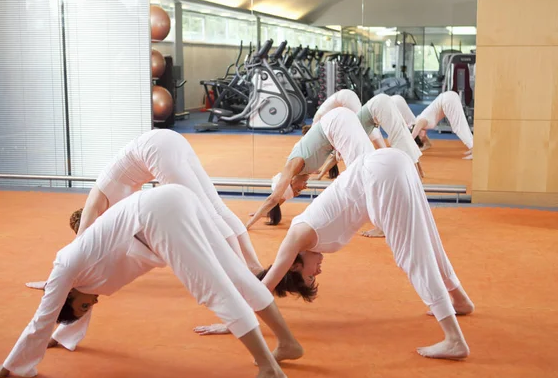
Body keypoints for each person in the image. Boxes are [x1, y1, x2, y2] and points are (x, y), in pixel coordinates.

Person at [0, 185, 304, 378]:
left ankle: (269, 370)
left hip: (158, 215)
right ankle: (288, 344)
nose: (94, 302)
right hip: (172, 198)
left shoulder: (65, 266)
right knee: (237, 276)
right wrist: (60, 335)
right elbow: (69, 312)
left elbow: (43, 315)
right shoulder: (87, 279)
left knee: (214, 290)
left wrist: (10, 365)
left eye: (85, 305)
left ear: (69, 295)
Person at [196, 148, 475, 361]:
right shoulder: (309, 241)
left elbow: (262, 289)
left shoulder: (296, 237)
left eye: (309, 276)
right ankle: (460, 300)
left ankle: (454, 339)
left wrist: (233, 321)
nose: (317, 272)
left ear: (294, 268)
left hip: (380, 173)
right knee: (427, 238)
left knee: (412, 255)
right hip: (388, 164)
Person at [26, 129, 264, 292]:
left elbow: (79, 247)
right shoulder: (113, 208)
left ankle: (244, 280)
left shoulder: (95, 202)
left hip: (156, 149)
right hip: (168, 140)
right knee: (215, 207)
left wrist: (54, 281)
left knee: (208, 214)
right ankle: (253, 267)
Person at [246, 107, 374, 230]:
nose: (304, 188)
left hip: (337, 123)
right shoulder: (301, 171)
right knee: (368, 166)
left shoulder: (294, 164)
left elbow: (274, 198)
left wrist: (248, 224)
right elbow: (280, 196)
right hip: (340, 121)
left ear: (290, 182)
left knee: (363, 172)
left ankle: (379, 220)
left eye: (298, 190)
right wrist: (264, 211)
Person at [411, 91, 474, 159]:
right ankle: (474, 148)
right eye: (422, 138)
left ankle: (474, 150)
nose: (423, 136)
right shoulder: (423, 125)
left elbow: (413, 134)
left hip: (447, 100)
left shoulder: (420, 121)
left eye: (420, 136)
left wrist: (408, 146)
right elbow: (426, 144)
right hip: (449, 97)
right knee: (461, 124)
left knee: (458, 127)